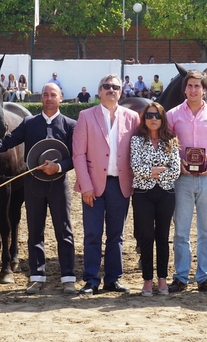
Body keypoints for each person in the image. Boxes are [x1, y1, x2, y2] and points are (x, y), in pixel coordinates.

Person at [0, 83, 77, 294]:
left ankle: (68, 277)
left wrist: (60, 166)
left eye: (53, 95)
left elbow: (77, 156)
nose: (49, 98)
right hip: (33, 183)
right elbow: (6, 142)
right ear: (41, 99)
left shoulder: (71, 125)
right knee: (35, 231)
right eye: (45, 95)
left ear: (61, 98)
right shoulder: (29, 123)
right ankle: (36, 276)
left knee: (64, 231)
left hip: (58, 184)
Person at [166, 69, 207, 293]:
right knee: (181, 231)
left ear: (205, 90)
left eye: (198, 86)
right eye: (190, 85)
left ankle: (205, 277)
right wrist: (178, 161)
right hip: (182, 179)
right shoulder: (173, 115)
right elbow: (165, 145)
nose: (193, 90)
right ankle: (181, 277)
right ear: (184, 89)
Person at [73, 74, 140, 295]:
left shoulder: (132, 118)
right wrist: (85, 185)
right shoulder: (85, 116)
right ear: (99, 91)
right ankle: (91, 280)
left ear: (121, 92)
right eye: (106, 86)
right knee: (92, 234)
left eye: (115, 87)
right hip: (92, 185)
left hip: (120, 185)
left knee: (116, 235)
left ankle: (113, 278)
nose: (111, 89)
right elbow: (78, 154)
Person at [130, 102, 181, 296]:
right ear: (144, 119)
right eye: (150, 116)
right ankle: (147, 280)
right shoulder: (136, 140)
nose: (153, 119)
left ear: (162, 119)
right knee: (146, 237)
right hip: (143, 194)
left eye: (157, 116)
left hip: (166, 194)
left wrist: (151, 172)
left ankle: (162, 278)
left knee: (162, 237)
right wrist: (158, 171)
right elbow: (136, 168)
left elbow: (175, 171)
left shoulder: (171, 140)